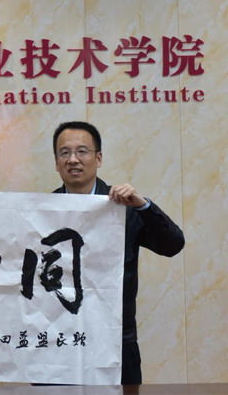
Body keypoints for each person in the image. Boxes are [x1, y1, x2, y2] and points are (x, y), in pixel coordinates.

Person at [51, 121, 184, 385]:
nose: (73, 159)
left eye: (82, 151)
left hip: (116, 342)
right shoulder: (41, 212)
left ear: (98, 158)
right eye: (64, 153)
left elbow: (172, 245)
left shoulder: (123, 206)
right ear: (56, 163)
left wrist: (143, 206)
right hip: (57, 342)